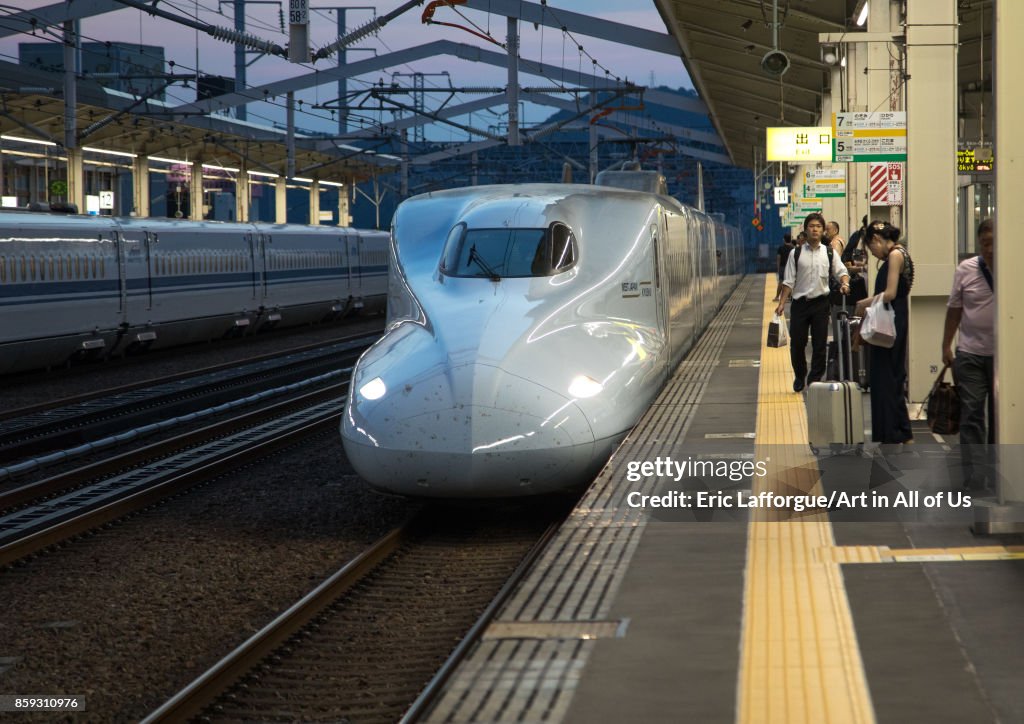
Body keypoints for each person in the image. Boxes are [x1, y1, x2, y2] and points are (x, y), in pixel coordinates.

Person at [942, 219, 994, 485]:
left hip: (1004, 358)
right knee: (972, 412)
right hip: (971, 352)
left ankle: (998, 474)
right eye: (985, 243)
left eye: (994, 242)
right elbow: (954, 309)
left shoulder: (1014, 265)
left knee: (1002, 414)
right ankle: (974, 475)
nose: (990, 249)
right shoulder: (967, 270)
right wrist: (946, 344)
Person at [776, 213, 850, 392]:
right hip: (800, 304)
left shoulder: (829, 252)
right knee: (797, 344)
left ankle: (814, 378)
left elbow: (841, 271)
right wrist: (781, 303)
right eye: (811, 226)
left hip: (821, 304)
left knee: (819, 344)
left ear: (823, 230)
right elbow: (788, 281)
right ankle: (800, 375)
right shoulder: (796, 253)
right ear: (805, 229)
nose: (815, 229)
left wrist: (845, 283)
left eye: (818, 226)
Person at [855, 221, 913, 444]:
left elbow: (889, 293)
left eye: (872, 248)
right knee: (891, 374)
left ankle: (894, 431)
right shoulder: (897, 254)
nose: (873, 254)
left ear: (877, 240)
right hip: (892, 318)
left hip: (891, 320)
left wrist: (864, 303)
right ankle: (898, 430)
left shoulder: (896, 255)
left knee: (886, 375)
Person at [773, 233, 793, 301]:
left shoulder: (781, 248)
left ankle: (777, 297)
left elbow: (778, 258)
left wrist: (778, 268)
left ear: (784, 240)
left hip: (782, 266)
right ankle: (790, 297)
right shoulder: (793, 248)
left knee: (781, 281)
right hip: (790, 267)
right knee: (790, 282)